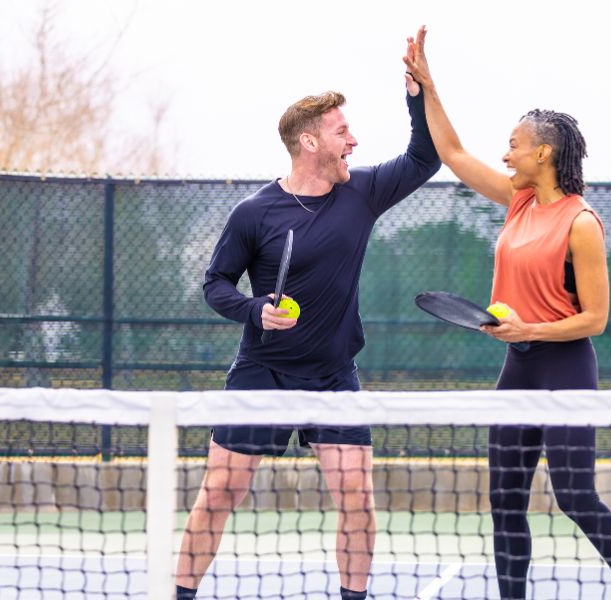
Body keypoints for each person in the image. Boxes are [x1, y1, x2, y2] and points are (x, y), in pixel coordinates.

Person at [402, 26, 611, 600]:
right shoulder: (516, 200)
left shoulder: (582, 223)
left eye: (514, 144)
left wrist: (529, 328)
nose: (504, 152)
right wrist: (427, 85)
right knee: (506, 502)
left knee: (576, 497)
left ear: (542, 153)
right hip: (518, 368)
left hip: (566, 368)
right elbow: (453, 153)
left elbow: (595, 319)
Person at [174, 73, 441, 599]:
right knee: (221, 492)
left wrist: (417, 98)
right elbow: (215, 283)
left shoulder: (361, 192)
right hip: (261, 373)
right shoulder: (253, 214)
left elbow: (424, 160)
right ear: (309, 143)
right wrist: (255, 310)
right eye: (343, 132)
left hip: (333, 376)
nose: (354, 141)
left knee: (357, 501)